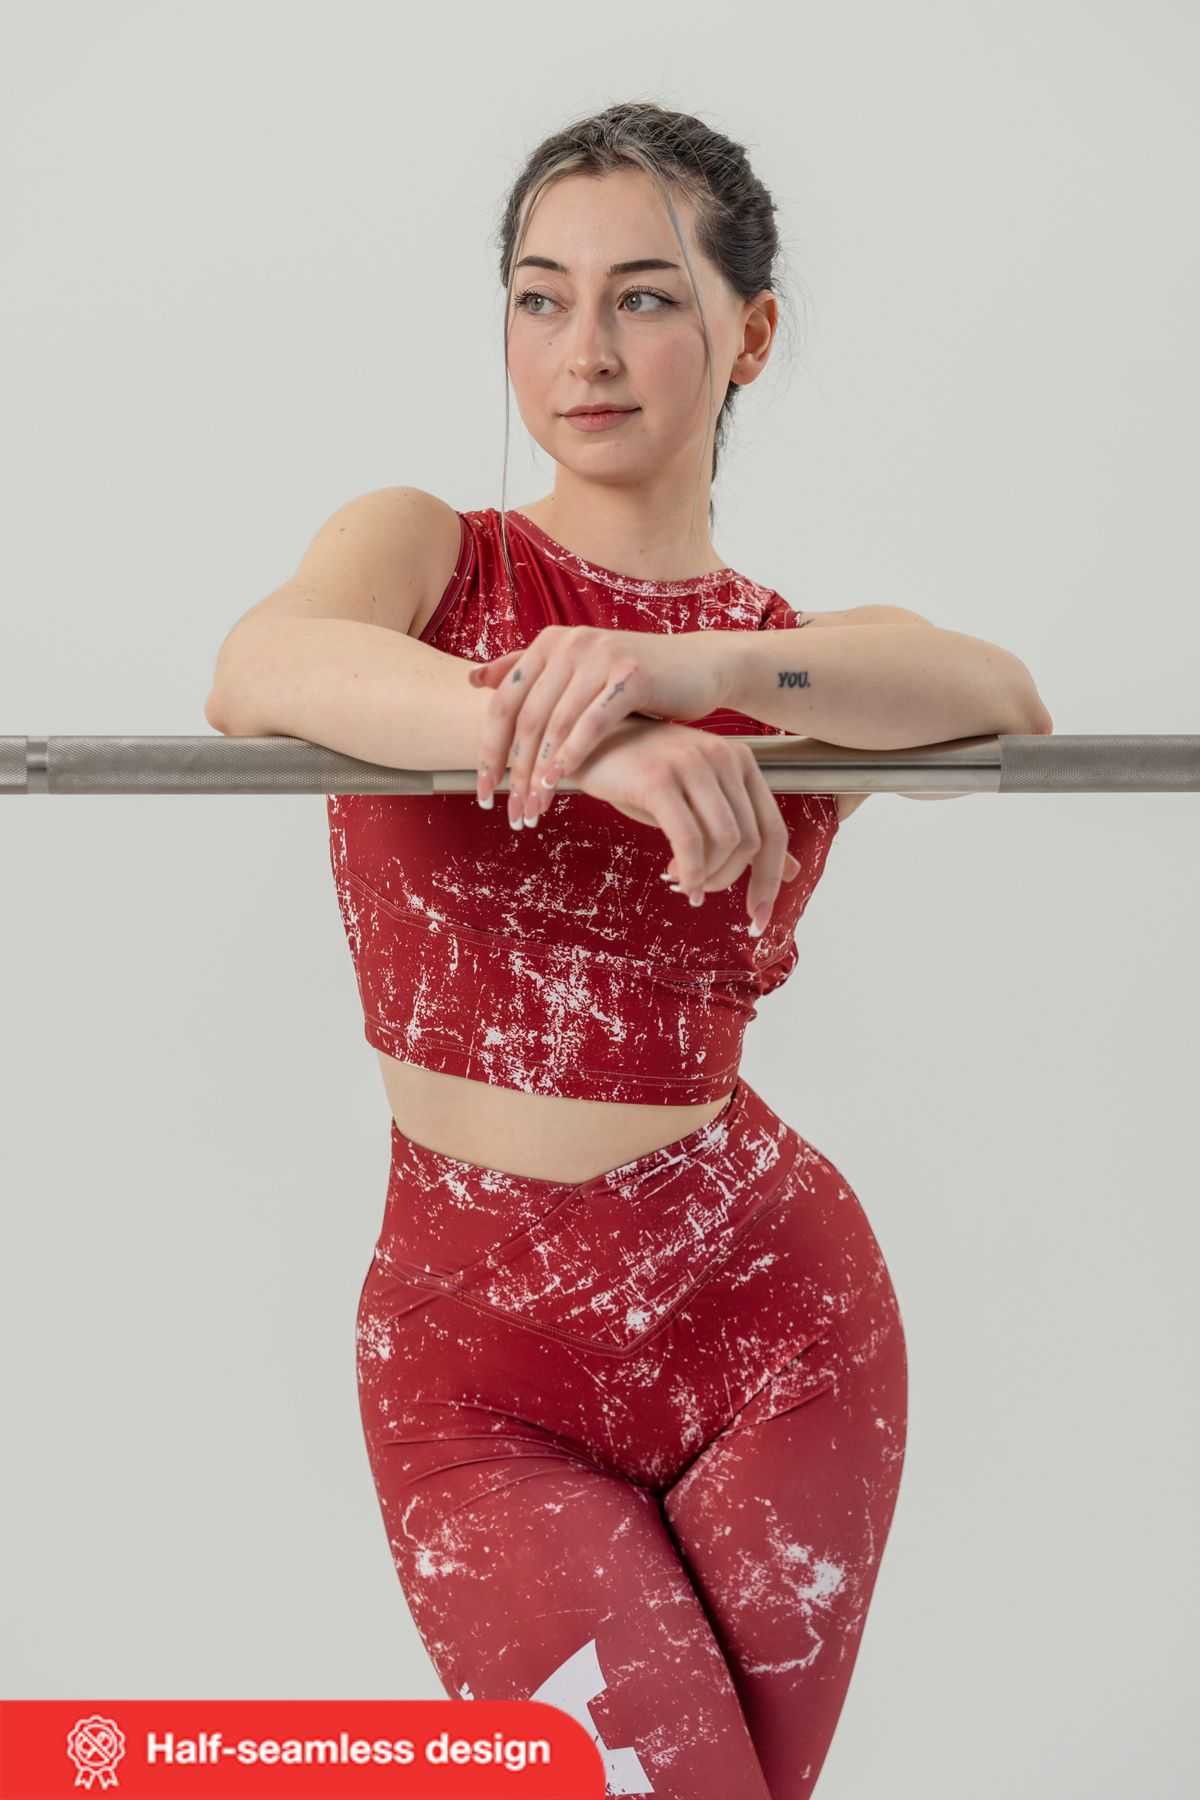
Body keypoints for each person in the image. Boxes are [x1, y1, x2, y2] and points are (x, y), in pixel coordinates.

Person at [207, 100, 1051, 1800]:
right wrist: (584, 733)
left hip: (775, 1331)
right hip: (475, 1371)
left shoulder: (793, 658)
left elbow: (1000, 699)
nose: (582, 349)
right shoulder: (432, 560)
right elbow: (260, 668)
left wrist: (688, 676)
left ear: (752, 334)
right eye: (541, 298)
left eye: (645, 296)